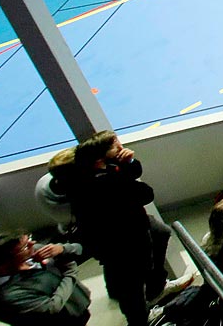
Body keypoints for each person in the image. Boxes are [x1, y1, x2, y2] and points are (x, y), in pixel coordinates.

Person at [64, 131, 178, 326]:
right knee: (132, 286)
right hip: (124, 241)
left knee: (161, 233)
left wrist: (129, 163)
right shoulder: (106, 182)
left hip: (121, 231)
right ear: (100, 158)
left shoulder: (94, 173)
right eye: (116, 147)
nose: (121, 149)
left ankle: (154, 289)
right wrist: (124, 168)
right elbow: (145, 193)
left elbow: (135, 172)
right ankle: (140, 320)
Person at [0, 234, 91, 326]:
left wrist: (62, 249)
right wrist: (70, 273)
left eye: (29, 238)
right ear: (3, 266)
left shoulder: (31, 253)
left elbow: (79, 249)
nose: (32, 243)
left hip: (75, 305)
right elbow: (52, 307)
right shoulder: (8, 295)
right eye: (24, 247)